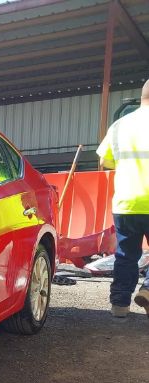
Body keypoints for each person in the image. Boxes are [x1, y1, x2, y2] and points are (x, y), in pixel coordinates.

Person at [97, 79, 149, 318]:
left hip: (126, 202)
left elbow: (105, 160)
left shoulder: (120, 125)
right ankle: (147, 289)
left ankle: (120, 304)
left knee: (126, 255)